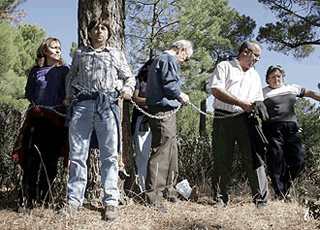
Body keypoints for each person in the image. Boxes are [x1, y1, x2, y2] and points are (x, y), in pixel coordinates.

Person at [62, 18, 135, 221]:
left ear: (108, 33)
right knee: (77, 155)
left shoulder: (115, 54)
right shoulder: (79, 53)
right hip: (82, 105)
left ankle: (111, 202)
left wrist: (127, 90)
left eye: (103, 28)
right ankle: (74, 201)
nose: (99, 31)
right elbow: (71, 77)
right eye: (96, 28)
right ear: (90, 32)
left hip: (107, 105)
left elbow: (129, 77)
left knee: (110, 156)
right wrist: (68, 96)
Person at [208, 40, 269, 209]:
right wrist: (242, 103)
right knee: (221, 159)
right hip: (223, 118)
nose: (257, 59)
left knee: (254, 159)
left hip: (247, 119)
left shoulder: (254, 75)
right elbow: (216, 90)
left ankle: (261, 200)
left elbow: (258, 98)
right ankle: (220, 198)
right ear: (245, 52)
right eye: (256, 55)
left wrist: (258, 107)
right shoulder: (224, 67)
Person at [13, 38, 69, 211]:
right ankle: (26, 200)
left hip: (56, 120)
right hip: (36, 119)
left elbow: (69, 92)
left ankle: (45, 200)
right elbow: (29, 93)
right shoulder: (35, 71)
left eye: (59, 47)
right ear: (45, 51)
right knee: (31, 160)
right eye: (54, 47)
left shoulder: (65, 70)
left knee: (50, 162)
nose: (58, 50)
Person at [145, 40, 193, 213]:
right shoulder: (168, 60)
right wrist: (181, 95)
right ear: (181, 50)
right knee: (162, 153)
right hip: (162, 111)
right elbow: (171, 87)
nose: (184, 62)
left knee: (171, 151)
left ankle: (170, 192)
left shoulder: (160, 60)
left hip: (165, 112)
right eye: (186, 59)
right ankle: (154, 197)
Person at [262, 65, 320, 201]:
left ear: (282, 77)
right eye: (273, 77)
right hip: (273, 130)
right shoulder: (262, 92)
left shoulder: (291, 87)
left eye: (279, 76)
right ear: (268, 79)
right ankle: (280, 194)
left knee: (298, 160)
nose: (276, 79)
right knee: (276, 162)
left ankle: (285, 186)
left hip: (292, 129)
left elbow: (311, 94)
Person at [131, 59, 154, 191]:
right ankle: (143, 186)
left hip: (159, 120)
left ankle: (156, 186)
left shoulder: (161, 82)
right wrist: (152, 101)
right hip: (142, 119)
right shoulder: (140, 80)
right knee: (142, 154)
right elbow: (135, 98)